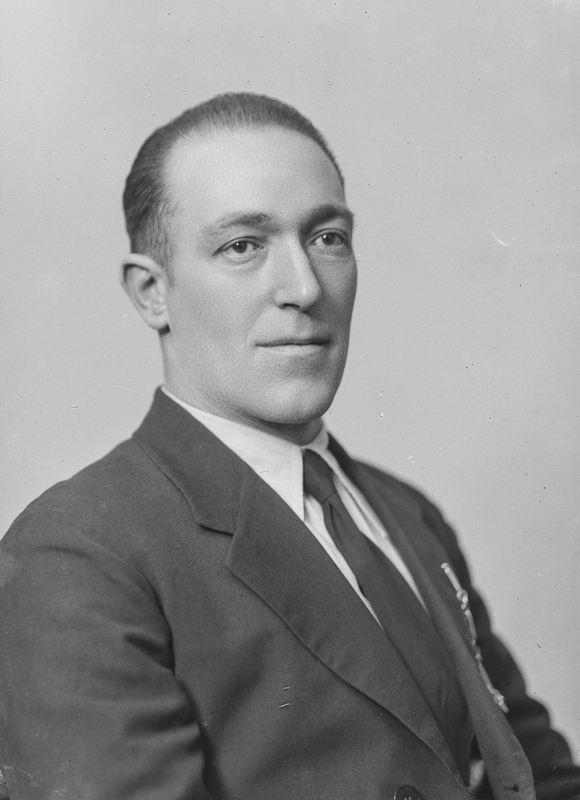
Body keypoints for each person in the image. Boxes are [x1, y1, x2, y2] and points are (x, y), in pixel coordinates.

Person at [0, 93, 578, 800]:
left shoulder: (406, 512)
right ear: (152, 293)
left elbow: (539, 772)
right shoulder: (77, 553)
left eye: (327, 237)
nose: (304, 287)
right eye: (243, 246)